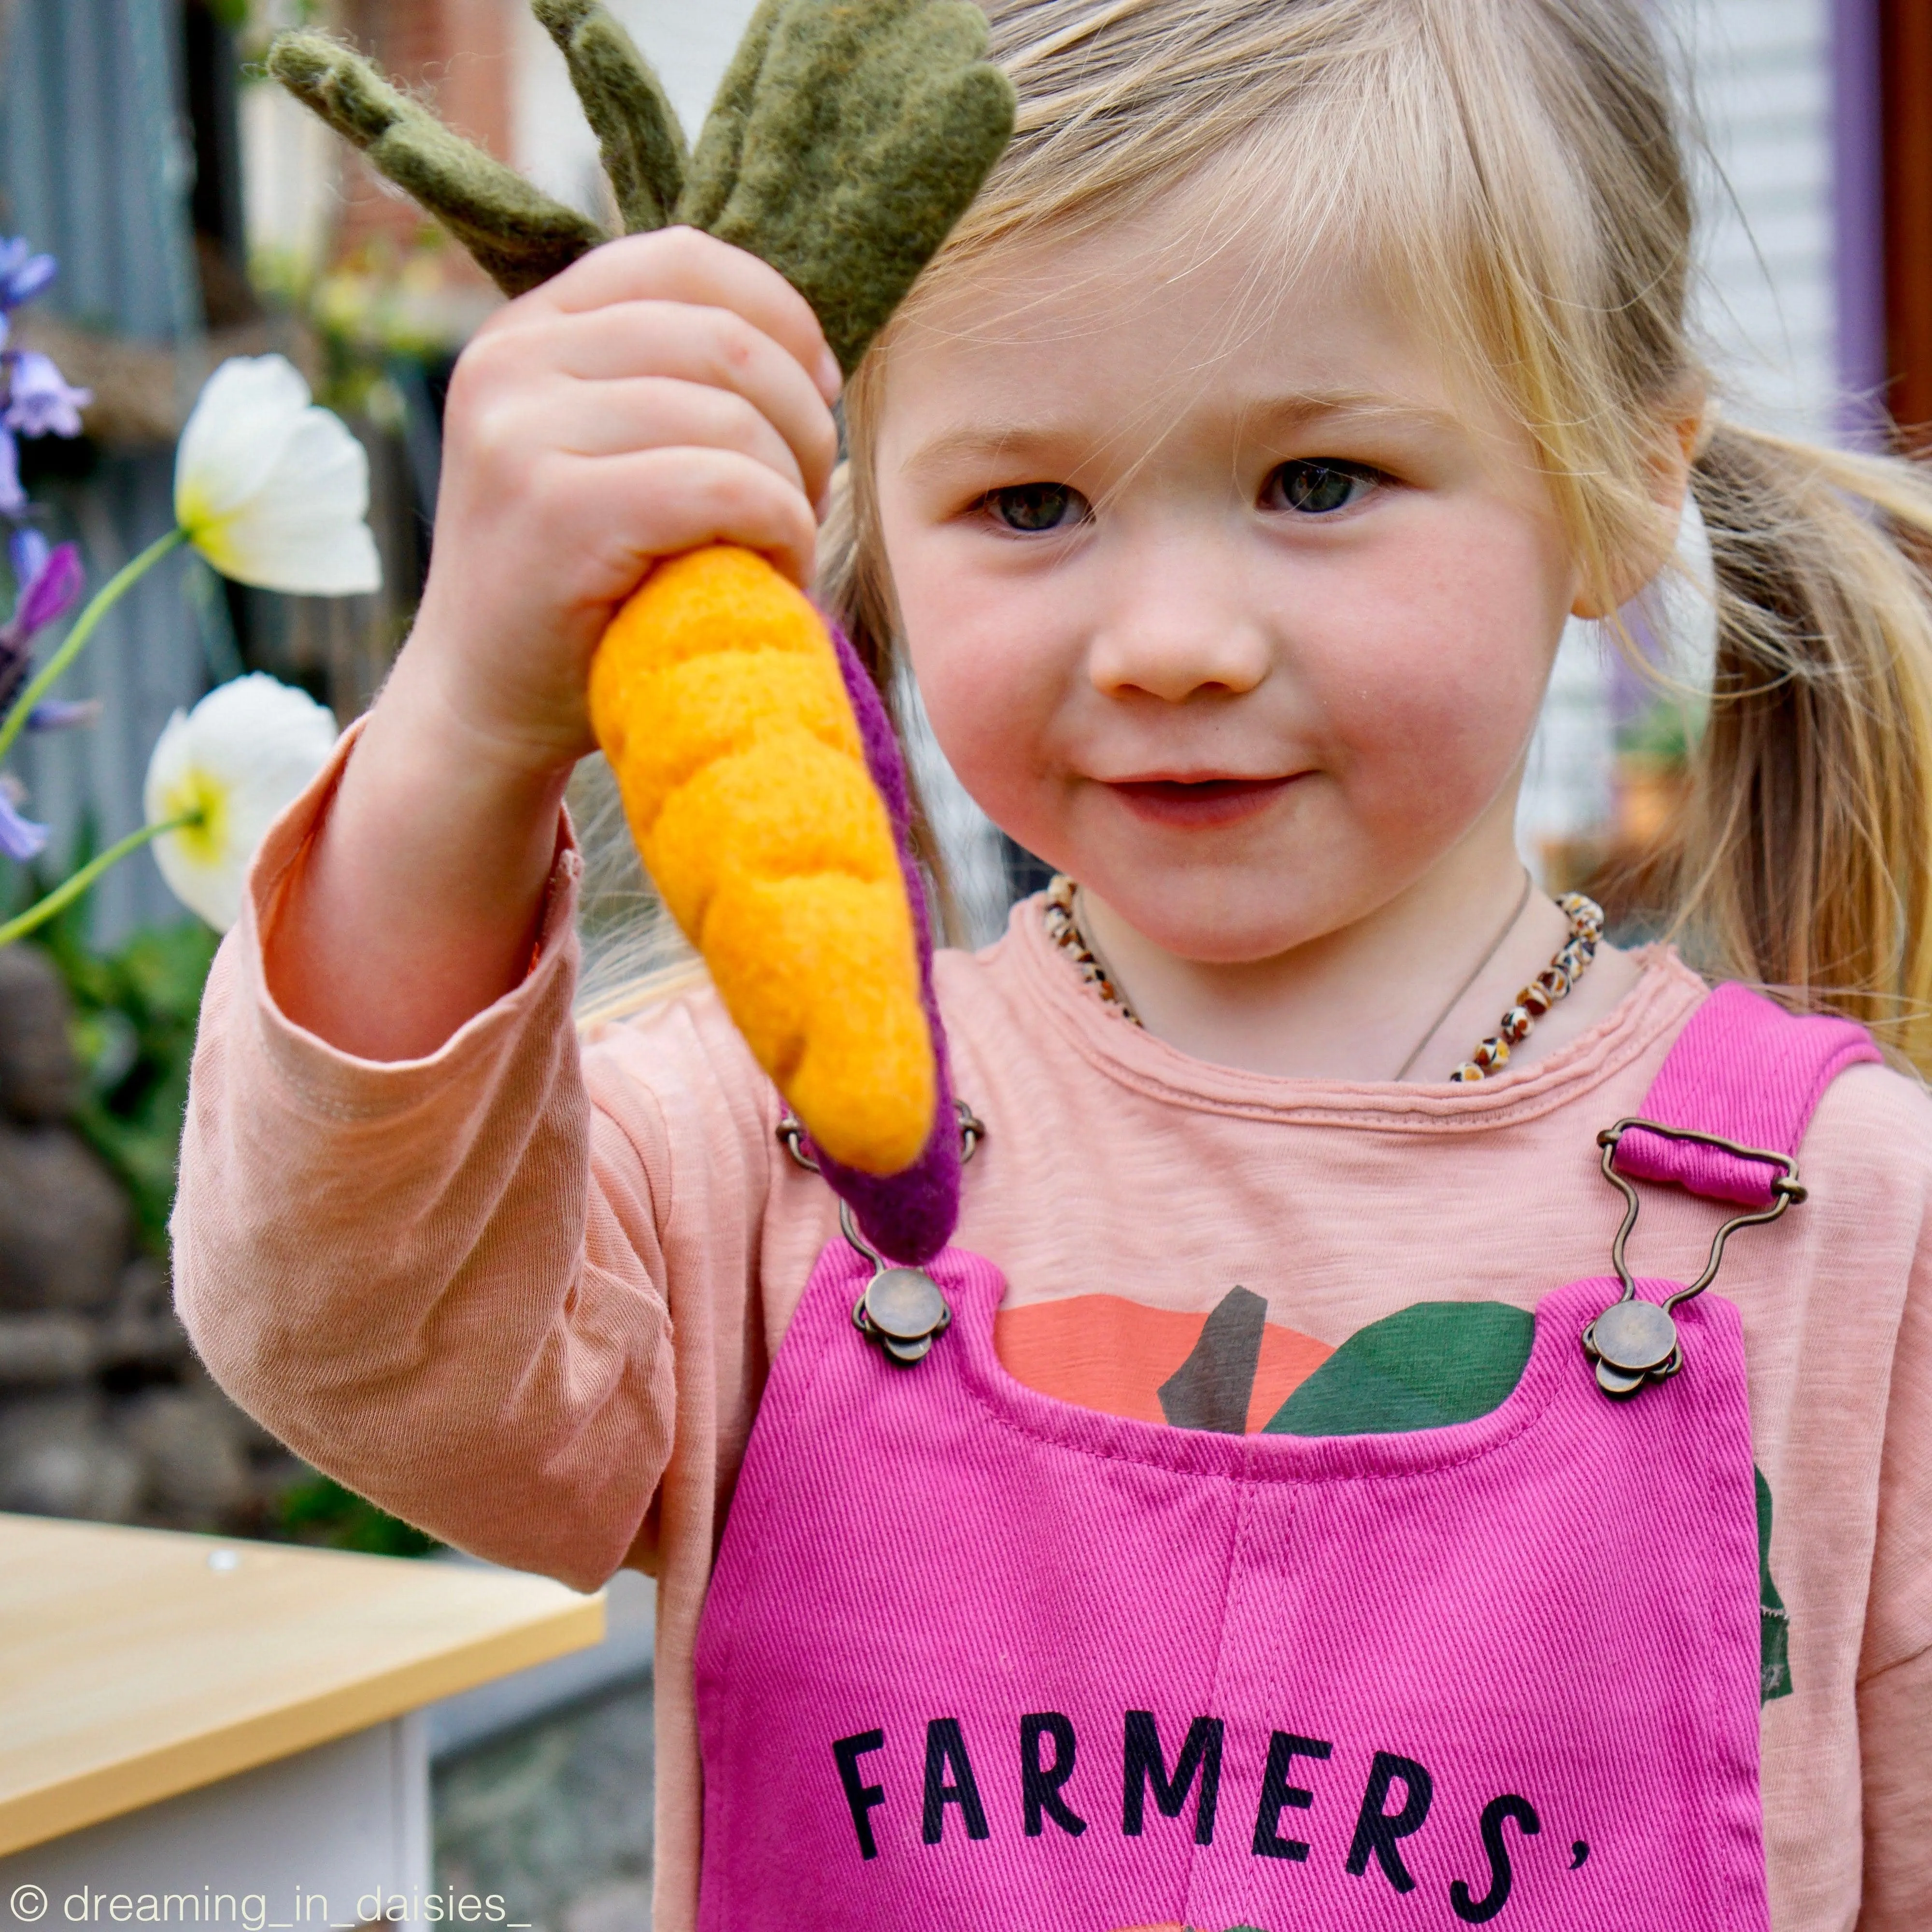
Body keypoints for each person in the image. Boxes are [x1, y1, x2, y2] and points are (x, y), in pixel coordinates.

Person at [172, 2, 1932, 1928]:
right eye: (1029, 504)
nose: (1169, 638)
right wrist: (469, 724)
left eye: (1320, 478)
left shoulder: (1852, 1231)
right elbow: (351, 1335)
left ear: (1620, 481)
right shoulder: (770, 1155)